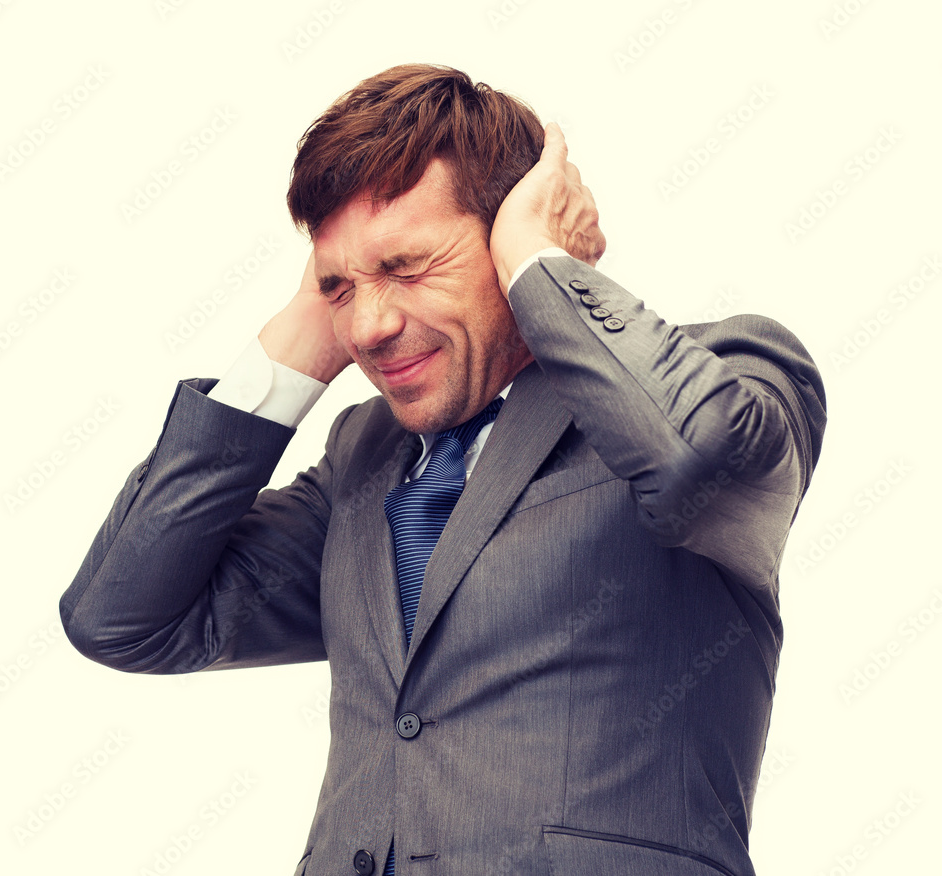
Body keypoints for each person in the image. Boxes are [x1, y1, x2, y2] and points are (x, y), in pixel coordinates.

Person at [61, 64, 826, 876]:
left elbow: (702, 459)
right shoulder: (363, 457)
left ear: (506, 238)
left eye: (406, 266)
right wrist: (296, 342)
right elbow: (122, 617)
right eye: (338, 287)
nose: (368, 326)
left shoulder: (727, 372)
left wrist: (542, 266)